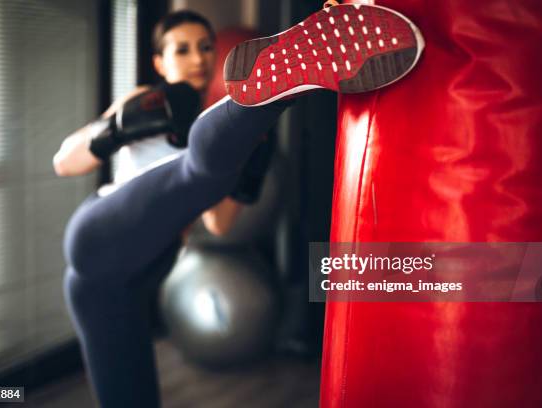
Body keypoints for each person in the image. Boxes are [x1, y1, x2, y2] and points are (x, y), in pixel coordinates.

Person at [54, 4, 423, 407]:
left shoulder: (220, 128)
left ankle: (278, 88)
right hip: (99, 236)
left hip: (128, 278)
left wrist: (243, 172)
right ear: (160, 62)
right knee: (197, 169)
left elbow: (218, 226)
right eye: (182, 50)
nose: (197, 59)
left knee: (131, 398)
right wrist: (115, 129)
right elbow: (65, 163)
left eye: (205, 47)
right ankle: (278, 92)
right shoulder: (145, 99)